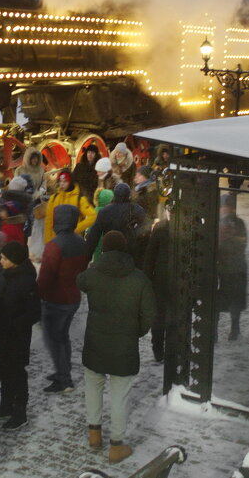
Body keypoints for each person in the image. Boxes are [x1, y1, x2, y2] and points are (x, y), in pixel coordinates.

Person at [77, 230, 156, 464]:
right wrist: (136, 331)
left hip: (95, 343)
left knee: (93, 387)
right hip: (124, 345)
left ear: (104, 249)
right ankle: (116, 445)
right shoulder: (138, 278)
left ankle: (94, 435)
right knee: (120, 396)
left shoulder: (93, 274)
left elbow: (79, 280)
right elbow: (150, 314)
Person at [0, 240, 40, 431]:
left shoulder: (26, 281)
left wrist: (13, 325)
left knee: (16, 374)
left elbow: (34, 312)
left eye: (4, 258)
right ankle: (6, 405)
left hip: (15, 338)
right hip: (1, 335)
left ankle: (19, 413)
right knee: (2, 371)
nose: (0, 261)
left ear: (14, 260)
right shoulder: (7, 274)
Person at [37, 204, 89, 393]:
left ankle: (64, 379)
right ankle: (62, 369)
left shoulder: (54, 245)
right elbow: (83, 271)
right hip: (73, 297)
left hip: (55, 298)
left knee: (54, 338)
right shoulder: (81, 242)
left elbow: (45, 277)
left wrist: (38, 296)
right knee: (62, 336)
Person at [85, 183, 147, 261]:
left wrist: (87, 256)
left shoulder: (105, 211)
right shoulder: (137, 209)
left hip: (110, 251)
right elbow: (144, 232)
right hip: (131, 253)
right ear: (128, 194)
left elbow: (94, 235)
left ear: (114, 194)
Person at [142, 212, 172, 362]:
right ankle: (163, 349)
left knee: (160, 316)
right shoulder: (187, 227)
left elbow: (150, 257)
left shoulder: (160, 228)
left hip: (161, 280)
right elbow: (150, 256)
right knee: (167, 315)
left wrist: (148, 279)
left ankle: (159, 350)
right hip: (170, 280)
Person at [217, 193, 248, 339]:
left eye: (227, 207)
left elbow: (241, 243)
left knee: (234, 300)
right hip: (224, 268)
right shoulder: (219, 223)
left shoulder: (237, 224)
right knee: (219, 300)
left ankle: (234, 328)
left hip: (233, 268)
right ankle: (216, 331)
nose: (224, 210)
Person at [42, 170, 96, 244]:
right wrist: (47, 242)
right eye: (60, 181)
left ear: (70, 182)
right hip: (56, 242)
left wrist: (76, 229)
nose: (62, 184)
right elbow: (49, 221)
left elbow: (92, 216)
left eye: (65, 181)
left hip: (73, 242)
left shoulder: (79, 199)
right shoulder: (53, 198)